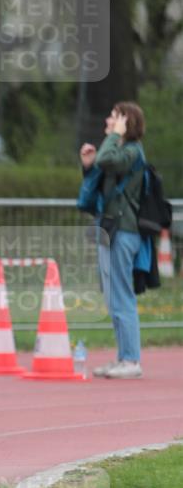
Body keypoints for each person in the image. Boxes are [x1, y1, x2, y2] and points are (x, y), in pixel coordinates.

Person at [79, 101, 146, 379]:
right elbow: (99, 178)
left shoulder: (132, 151)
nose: (108, 120)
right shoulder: (121, 151)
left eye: (114, 117)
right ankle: (123, 357)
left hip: (124, 231)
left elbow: (107, 160)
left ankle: (131, 360)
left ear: (126, 123)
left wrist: (114, 135)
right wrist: (88, 166)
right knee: (112, 296)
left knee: (121, 295)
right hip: (111, 229)